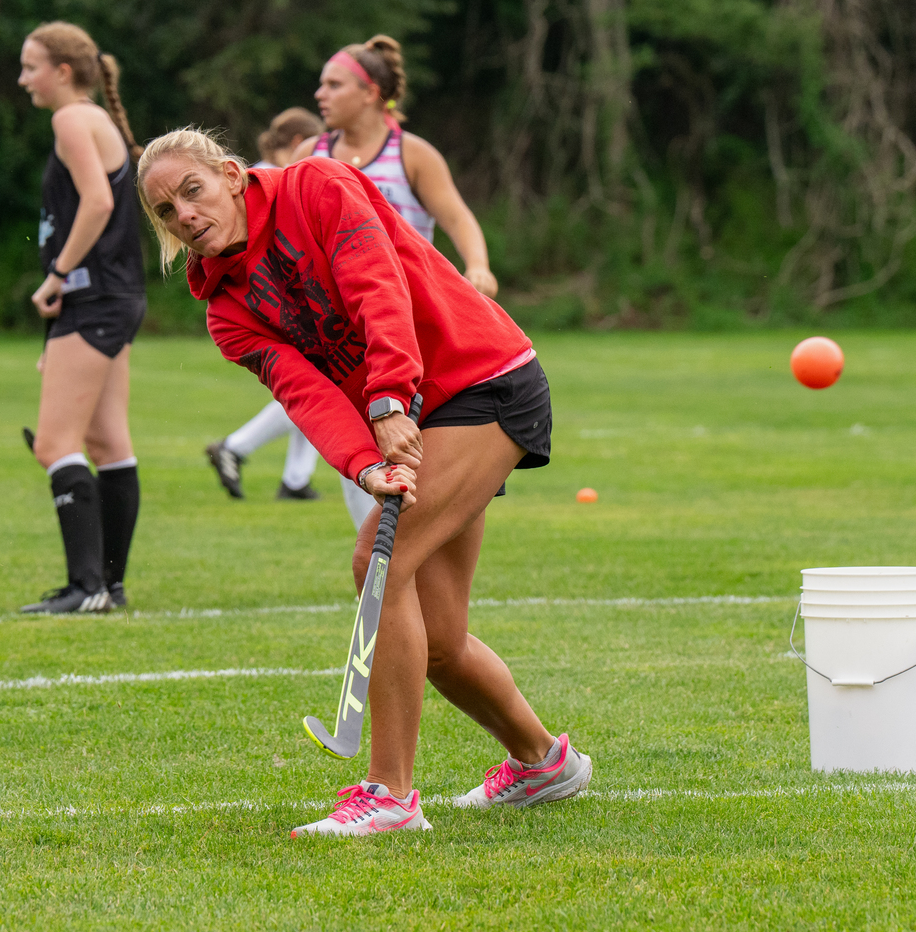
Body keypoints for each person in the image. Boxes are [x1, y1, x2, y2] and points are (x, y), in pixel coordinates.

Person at [137, 128, 592, 836]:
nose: (184, 214)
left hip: (482, 380)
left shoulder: (319, 186)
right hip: (415, 413)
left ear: (229, 175)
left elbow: (378, 289)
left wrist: (387, 398)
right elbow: (307, 395)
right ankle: (542, 762)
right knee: (438, 640)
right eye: (165, 211)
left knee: (377, 561)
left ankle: (389, 794)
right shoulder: (226, 312)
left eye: (190, 190)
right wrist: (367, 464)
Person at [207, 36, 501, 532]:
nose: (320, 93)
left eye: (334, 83)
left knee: (446, 513)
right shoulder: (309, 153)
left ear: (371, 93)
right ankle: (384, 585)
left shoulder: (411, 152)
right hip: (343, 347)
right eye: (320, 83)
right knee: (376, 510)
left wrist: (478, 265)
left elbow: (457, 216)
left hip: (415, 336)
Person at [16, 21, 146, 614]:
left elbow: (97, 201)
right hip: (115, 297)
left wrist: (58, 273)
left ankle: (86, 585)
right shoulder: (97, 118)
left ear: (62, 72)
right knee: (106, 440)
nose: (24, 81)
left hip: (93, 297)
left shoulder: (70, 119)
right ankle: (109, 585)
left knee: (54, 443)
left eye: (31, 67)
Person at [205, 108, 329, 504]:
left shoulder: (266, 179)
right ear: (297, 144)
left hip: (285, 304)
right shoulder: (261, 184)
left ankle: (295, 479)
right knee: (315, 389)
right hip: (277, 307)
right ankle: (237, 447)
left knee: (323, 385)